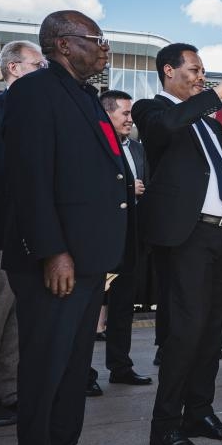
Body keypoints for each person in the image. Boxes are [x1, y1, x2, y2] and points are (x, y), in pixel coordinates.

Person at [2, 11, 128, 445]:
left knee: (74, 368)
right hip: (57, 262)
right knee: (46, 367)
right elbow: (30, 179)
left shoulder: (83, 97)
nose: (105, 48)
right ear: (60, 42)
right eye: (96, 39)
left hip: (89, 260)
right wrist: (53, 251)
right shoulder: (35, 92)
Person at [133, 43, 222, 445]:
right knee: (185, 331)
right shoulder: (151, 109)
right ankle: (165, 425)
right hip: (186, 236)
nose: (200, 76)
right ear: (169, 71)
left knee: (212, 330)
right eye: (193, 70)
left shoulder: (209, 125)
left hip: (221, 237)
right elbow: (164, 129)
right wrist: (215, 95)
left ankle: (199, 412)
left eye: (203, 71)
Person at [0, 40, 44, 429]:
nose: (44, 71)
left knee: (15, 324)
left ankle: (10, 392)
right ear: (13, 69)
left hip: (28, 237)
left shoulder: (40, 115)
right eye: (37, 65)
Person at [97, 90, 152, 387]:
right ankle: (83, 374)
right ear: (107, 114)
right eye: (125, 114)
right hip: (101, 240)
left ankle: (120, 367)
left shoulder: (140, 149)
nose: (131, 119)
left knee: (122, 309)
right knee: (90, 308)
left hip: (133, 241)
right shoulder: (93, 146)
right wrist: (127, 192)